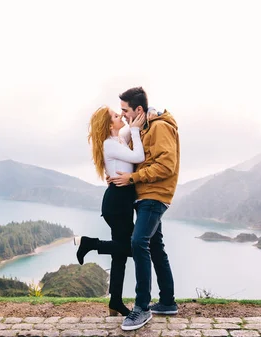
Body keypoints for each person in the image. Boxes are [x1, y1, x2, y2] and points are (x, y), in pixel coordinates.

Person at [108, 87, 180, 331]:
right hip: (145, 195)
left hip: (154, 195)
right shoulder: (145, 128)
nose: (123, 115)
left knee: (138, 242)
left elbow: (166, 166)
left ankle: (142, 307)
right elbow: (130, 149)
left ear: (138, 109)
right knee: (155, 247)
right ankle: (168, 302)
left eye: (125, 111)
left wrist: (133, 178)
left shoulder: (159, 127)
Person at [76, 105, 146, 316]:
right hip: (117, 203)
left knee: (120, 254)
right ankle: (90, 243)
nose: (121, 116)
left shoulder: (117, 139)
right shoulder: (110, 144)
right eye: (117, 116)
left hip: (121, 201)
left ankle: (115, 301)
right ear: (109, 125)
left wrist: (141, 118)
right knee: (134, 249)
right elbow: (139, 157)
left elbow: (128, 127)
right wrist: (134, 130)